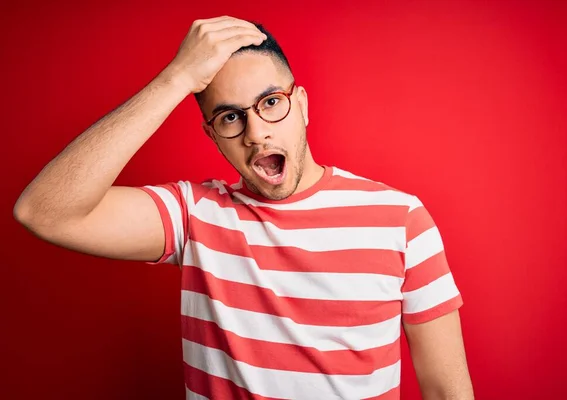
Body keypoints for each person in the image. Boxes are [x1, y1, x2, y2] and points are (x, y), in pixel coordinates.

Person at [13, 16, 474, 400]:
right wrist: (176, 79)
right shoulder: (194, 215)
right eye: (231, 116)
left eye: (271, 103)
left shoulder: (402, 220)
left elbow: (446, 391)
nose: (256, 133)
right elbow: (45, 211)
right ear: (212, 134)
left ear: (303, 106)